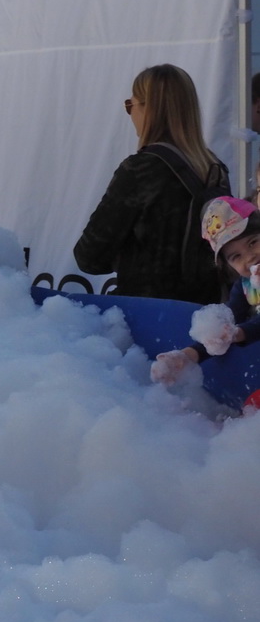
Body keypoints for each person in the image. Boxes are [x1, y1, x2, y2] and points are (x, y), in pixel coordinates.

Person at [74, 65, 230, 302]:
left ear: (149, 110)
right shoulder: (215, 169)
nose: (130, 113)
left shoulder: (141, 169)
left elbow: (89, 256)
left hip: (148, 314)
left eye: (130, 105)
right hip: (206, 318)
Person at [151, 195, 260, 386]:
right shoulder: (245, 286)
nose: (250, 257)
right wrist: (189, 355)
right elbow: (227, 322)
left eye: (253, 242)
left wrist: (238, 333)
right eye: (236, 256)